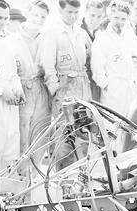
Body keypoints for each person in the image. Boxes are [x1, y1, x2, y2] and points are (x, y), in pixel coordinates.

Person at [40, 0, 92, 170]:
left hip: (82, 87)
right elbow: (48, 66)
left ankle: (83, 177)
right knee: (64, 135)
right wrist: (56, 91)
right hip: (64, 89)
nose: (73, 16)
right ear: (60, 10)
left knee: (84, 132)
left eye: (76, 12)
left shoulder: (80, 32)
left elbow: (89, 57)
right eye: (69, 12)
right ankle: (61, 179)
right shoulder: (52, 32)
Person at [7, 1, 51, 169]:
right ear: (27, 13)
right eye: (35, 15)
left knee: (41, 133)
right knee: (20, 134)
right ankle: (17, 177)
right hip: (21, 89)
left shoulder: (47, 37)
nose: (38, 19)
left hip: (42, 88)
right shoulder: (12, 38)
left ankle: (33, 176)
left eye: (42, 16)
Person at [0, 0, 25, 172]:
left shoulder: (7, 39)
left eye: (6, 18)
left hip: (10, 103)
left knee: (11, 149)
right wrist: (0, 91)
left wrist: (18, 88)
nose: (3, 22)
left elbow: (13, 73)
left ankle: (7, 194)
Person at [91, 0, 135, 115]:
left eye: (123, 19)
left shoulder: (128, 37)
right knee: (111, 127)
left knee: (128, 126)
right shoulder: (102, 38)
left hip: (129, 90)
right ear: (110, 16)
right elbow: (97, 70)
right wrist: (107, 87)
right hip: (112, 92)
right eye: (116, 18)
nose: (119, 22)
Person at [81, 0, 105, 100]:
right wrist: (91, 52)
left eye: (99, 17)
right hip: (83, 83)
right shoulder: (77, 32)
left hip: (97, 81)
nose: (95, 20)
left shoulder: (100, 32)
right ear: (85, 13)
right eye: (92, 15)